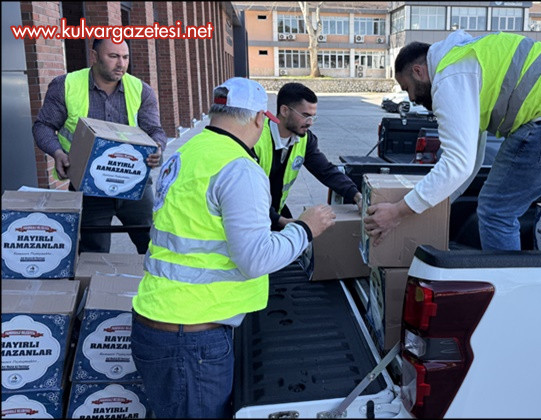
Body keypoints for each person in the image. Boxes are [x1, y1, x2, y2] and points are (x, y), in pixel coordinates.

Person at [130, 77, 336, 418]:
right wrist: (305, 228)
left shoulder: (184, 154)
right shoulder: (239, 167)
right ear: (258, 118)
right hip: (193, 337)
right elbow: (256, 259)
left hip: (158, 318)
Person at [364, 30, 541, 251]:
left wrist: (398, 212)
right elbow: (470, 162)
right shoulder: (466, 61)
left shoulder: (449, 77)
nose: (410, 99)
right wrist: (434, 206)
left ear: (419, 71)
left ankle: (509, 300)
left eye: (406, 87)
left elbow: (458, 164)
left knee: (495, 212)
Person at [33, 38, 166, 254]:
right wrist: (57, 152)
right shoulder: (65, 85)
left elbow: (155, 131)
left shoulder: (141, 90)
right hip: (88, 187)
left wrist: (158, 147)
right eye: (113, 56)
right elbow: (43, 126)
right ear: (94, 57)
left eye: (125, 57)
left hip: (134, 185)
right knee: (93, 253)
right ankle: (97, 287)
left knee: (154, 246)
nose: (121, 63)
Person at [254, 82, 362, 230]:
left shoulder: (305, 139)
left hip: (275, 210)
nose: (310, 122)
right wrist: (280, 220)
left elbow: (325, 170)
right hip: (251, 215)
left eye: (313, 117)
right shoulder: (255, 139)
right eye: (305, 116)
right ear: (284, 110)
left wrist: (357, 195)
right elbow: (248, 195)